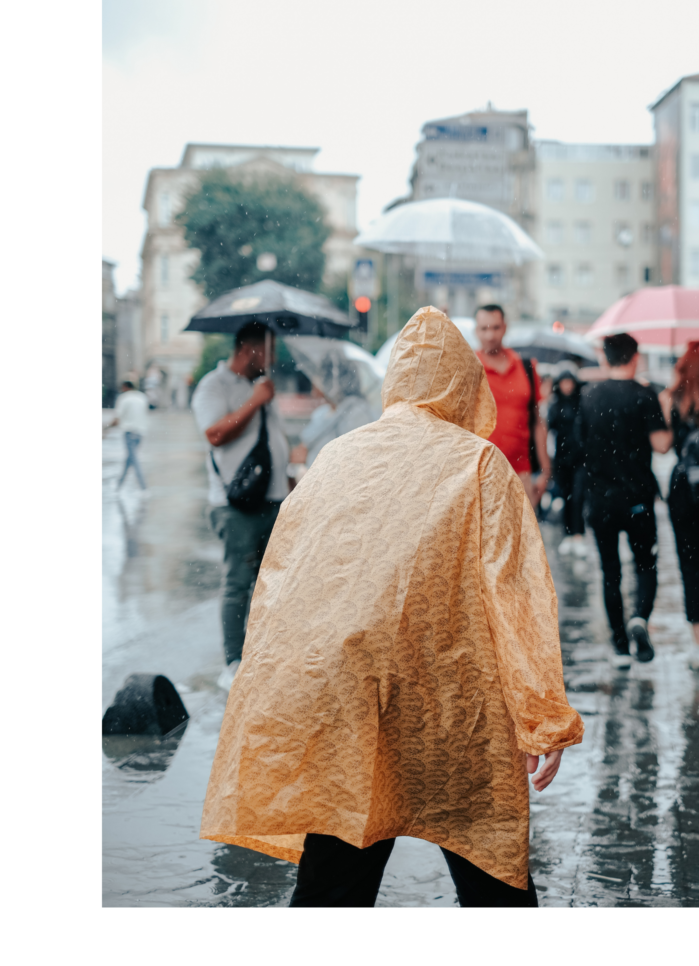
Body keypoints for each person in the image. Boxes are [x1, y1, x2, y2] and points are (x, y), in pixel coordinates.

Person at [200, 307, 584, 907]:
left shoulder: (336, 459)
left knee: (336, 874)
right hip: (453, 700)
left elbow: (284, 582)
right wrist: (541, 712)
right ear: (464, 382)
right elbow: (516, 596)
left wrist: (271, 686)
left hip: (348, 694)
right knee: (488, 871)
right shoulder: (481, 465)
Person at [191, 323, 290, 688]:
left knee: (273, 582)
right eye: (269, 351)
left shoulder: (259, 388)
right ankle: (233, 663)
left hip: (274, 499)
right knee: (238, 582)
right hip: (236, 504)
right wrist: (255, 401)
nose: (273, 359)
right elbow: (215, 434)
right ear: (249, 350)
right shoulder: (213, 386)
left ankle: (264, 654)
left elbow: (273, 441)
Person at [575, 333, 673, 668]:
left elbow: (577, 445)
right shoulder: (645, 395)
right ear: (635, 357)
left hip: (600, 500)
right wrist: (665, 411)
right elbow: (662, 445)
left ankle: (618, 646)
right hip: (638, 498)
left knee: (610, 571)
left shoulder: (589, 396)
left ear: (605, 358)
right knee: (645, 565)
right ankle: (639, 619)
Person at [659, 341, 699, 669]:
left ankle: (698, 648)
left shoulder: (673, 398)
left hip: (684, 489)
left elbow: (665, 446)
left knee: (690, 563)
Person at [473, 304, 551, 508]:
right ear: (476, 331)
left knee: (523, 539)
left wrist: (545, 470)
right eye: (484, 329)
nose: (490, 335)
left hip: (521, 473)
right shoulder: (470, 368)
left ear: (505, 327)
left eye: (495, 327)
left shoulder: (526, 366)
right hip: (479, 475)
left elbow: (537, 420)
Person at [291, 354, 377, 472]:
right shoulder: (321, 413)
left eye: (319, 375)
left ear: (333, 380)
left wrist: (308, 458)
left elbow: (352, 456)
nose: (314, 380)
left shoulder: (357, 413)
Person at [548, 370, 587, 556]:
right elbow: (548, 429)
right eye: (563, 382)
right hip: (562, 458)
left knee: (578, 496)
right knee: (566, 496)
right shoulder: (554, 405)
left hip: (580, 458)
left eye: (569, 382)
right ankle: (568, 534)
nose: (567, 386)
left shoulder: (582, 404)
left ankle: (579, 534)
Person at [109, 381, 149, 490]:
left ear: (125, 387)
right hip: (140, 433)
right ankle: (119, 485)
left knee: (134, 459)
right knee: (130, 459)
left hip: (129, 433)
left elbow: (117, 419)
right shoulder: (142, 397)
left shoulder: (123, 398)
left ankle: (143, 487)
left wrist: (106, 428)